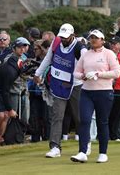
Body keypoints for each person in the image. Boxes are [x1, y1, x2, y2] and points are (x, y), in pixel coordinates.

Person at [33, 23, 86, 158]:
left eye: (66, 37)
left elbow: (87, 63)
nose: (63, 39)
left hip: (75, 85)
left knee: (78, 117)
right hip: (59, 84)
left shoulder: (79, 48)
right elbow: (48, 58)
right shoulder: (56, 43)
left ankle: (84, 148)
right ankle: (55, 147)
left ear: (72, 36)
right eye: (61, 36)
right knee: (57, 116)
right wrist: (38, 73)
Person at [71, 29, 120, 163]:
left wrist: (99, 74)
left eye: (96, 38)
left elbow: (116, 72)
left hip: (104, 92)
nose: (93, 40)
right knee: (84, 121)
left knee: (102, 122)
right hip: (87, 92)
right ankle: (82, 152)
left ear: (102, 40)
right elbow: (76, 72)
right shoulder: (86, 54)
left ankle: (103, 153)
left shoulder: (108, 53)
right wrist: (83, 76)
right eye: (91, 37)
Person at [0, 37, 30, 136]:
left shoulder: (17, 61)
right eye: (19, 47)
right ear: (14, 48)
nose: (22, 49)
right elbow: (5, 90)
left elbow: (21, 72)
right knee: (0, 115)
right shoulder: (10, 68)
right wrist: (10, 109)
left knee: (6, 116)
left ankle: (0, 139)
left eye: (24, 47)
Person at [28, 39, 51, 142]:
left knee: (47, 118)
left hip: (46, 93)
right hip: (35, 93)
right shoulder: (33, 60)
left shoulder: (48, 61)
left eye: (36, 48)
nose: (35, 50)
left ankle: (48, 138)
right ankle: (35, 138)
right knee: (34, 117)